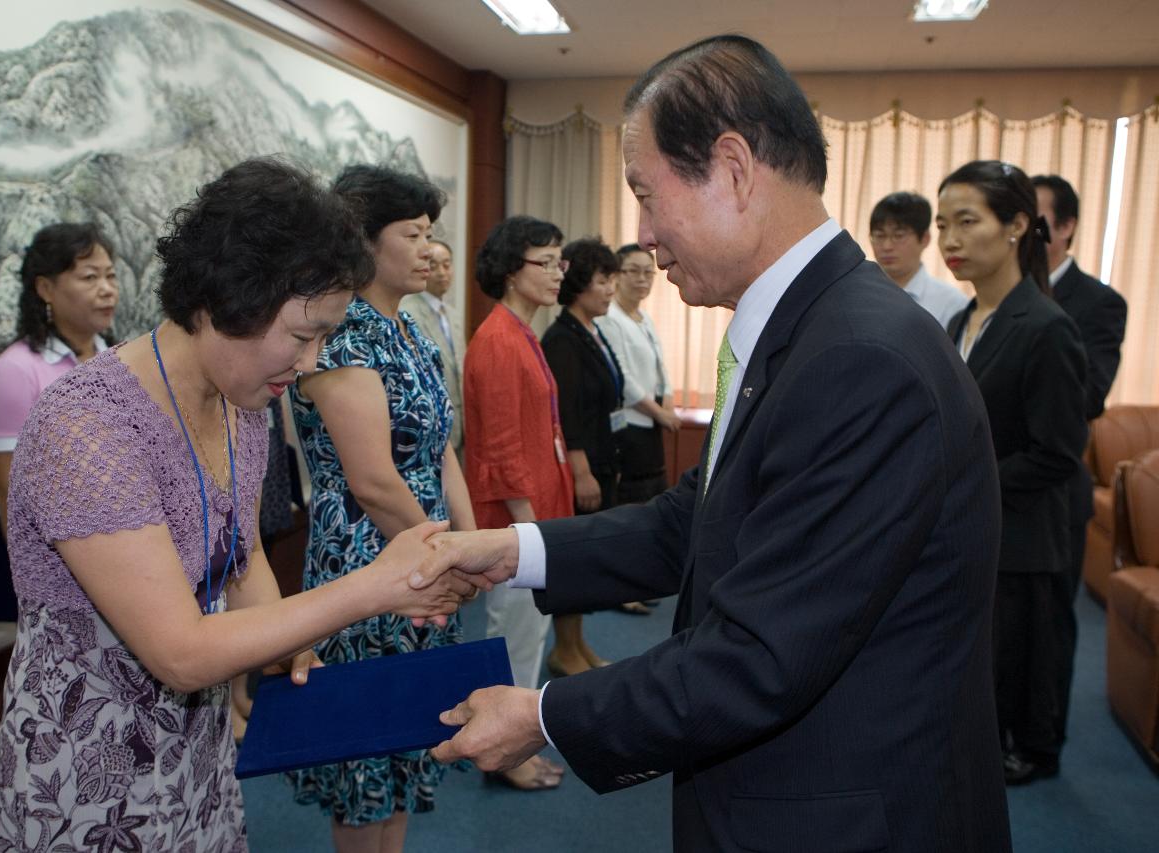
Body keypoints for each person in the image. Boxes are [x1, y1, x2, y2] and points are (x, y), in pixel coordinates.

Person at [418, 35, 1012, 852]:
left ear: (732, 167)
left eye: (646, 193)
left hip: (844, 815)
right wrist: (510, 550)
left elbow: (764, 655)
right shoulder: (806, 328)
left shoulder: (860, 360)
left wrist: (545, 713)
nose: (643, 234)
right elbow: (695, 521)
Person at [0, 158, 477, 852]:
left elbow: (239, 556)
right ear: (228, 298)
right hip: (88, 767)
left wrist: (288, 640)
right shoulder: (87, 425)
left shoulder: (240, 403)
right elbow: (179, 651)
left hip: (195, 752)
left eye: (325, 338)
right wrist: (372, 588)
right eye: (303, 336)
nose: (308, 364)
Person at [286, 165, 476, 850]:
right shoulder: (345, 336)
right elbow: (371, 478)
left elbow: (440, 449)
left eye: (431, 234)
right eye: (414, 233)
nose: (430, 248)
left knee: (403, 747)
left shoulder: (411, 331)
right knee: (365, 758)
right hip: (368, 562)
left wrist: (470, 543)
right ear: (365, 243)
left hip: (425, 552)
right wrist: (445, 557)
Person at [941, 161, 1089, 785]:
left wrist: (965, 486)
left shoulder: (1047, 327)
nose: (950, 239)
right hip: (977, 525)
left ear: (1018, 225)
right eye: (942, 224)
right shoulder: (960, 320)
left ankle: (1034, 749)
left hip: (1028, 530)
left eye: (967, 221)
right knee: (985, 655)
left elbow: (1058, 451)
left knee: (1027, 654)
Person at [461, 214, 576, 791]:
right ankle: (505, 753)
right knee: (514, 639)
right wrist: (532, 537)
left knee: (526, 636)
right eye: (546, 261)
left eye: (561, 261)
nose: (559, 273)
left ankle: (510, 746)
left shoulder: (520, 331)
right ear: (512, 270)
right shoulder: (500, 340)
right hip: (519, 524)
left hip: (535, 518)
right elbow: (501, 451)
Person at [1031, 172, 1128, 760]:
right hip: (1003, 487)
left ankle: (1044, 743)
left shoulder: (1097, 302)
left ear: (1066, 227)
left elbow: (1090, 393)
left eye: (1041, 222)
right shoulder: (989, 299)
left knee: (1050, 621)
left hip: (1054, 487)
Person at [0, 222, 118, 530]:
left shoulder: (119, 358)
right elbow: (9, 490)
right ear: (45, 289)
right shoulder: (14, 372)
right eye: (90, 277)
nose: (107, 289)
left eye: (110, 275)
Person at [540, 237, 623, 671]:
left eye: (612, 280)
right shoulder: (562, 339)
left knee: (588, 560)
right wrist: (582, 471)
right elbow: (566, 413)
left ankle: (579, 645)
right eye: (602, 280)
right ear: (578, 284)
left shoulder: (590, 330)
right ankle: (564, 649)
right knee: (572, 559)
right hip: (581, 465)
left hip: (601, 457)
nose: (611, 289)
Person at [598, 244, 681, 503]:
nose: (642, 279)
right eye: (633, 271)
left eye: (648, 272)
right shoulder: (607, 317)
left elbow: (660, 365)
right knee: (633, 498)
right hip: (629, 423)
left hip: (652, 422)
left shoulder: (644, 317)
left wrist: (667, 400)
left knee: (655, 492)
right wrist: (659, 413)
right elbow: (623, 379)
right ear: (617, 276)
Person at [400, 239, 466, 457]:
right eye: (434, 265)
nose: (441, 272)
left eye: (447, 265)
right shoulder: (407, 313)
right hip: (429, 424)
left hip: (460, 424)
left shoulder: (454, 314)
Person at [869, 191, 968, 329]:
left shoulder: (952, 303)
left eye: (898, 235)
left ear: (924, 239)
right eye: (879, 235)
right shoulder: (861, 295)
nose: (887, 246)